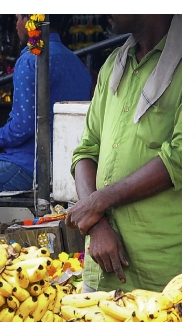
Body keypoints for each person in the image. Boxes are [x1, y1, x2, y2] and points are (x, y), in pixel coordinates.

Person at [66, 14, 180, 292]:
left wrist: (99, 202)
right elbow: (85, 151)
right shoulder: (113, 64)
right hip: (99, 269)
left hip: (163, 276)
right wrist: (97, 222)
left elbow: (180, 157)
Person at [0, 15, 91, 198]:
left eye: (18, 18)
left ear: (29, 20)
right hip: (65, 165)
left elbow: (24, 124)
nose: (16, 25)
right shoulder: (75, 61)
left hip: (30, 165)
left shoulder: (32, 60)